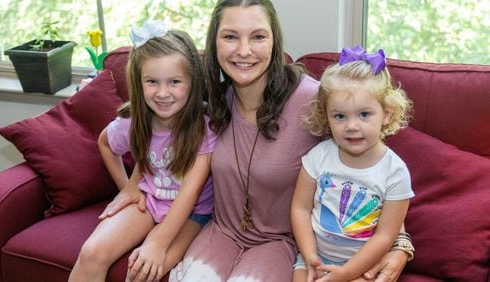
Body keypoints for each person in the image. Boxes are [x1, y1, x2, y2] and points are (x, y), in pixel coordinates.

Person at [168, 1, 414, 282]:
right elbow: (151, 134)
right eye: (230, 36)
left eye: (258, 36)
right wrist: (129, 188)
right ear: (214, 43)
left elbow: (371, 165)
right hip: (219, 234)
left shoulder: (315, 100)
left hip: (281, 245)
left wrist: (400, 244)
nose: (244, 50)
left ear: (275, 42)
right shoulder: (210, 96)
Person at [68, 20, 217, 282]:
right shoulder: (132, 122)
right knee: (91, 253)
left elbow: (190, 193)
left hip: (194, 212)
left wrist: (157, 242)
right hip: (148, 200)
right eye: (151, 81)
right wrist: (127, 186)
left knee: (140, 272)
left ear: (193, 81)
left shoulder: (204, 127)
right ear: (138, 82)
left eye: (174, 81)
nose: (162, 93)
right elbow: (105, 142)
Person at [291, 46, 414, 282]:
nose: (352, 126)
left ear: (386, 114)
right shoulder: (317, 157)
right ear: (326, 116)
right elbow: (300, 208)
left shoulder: (396, 173)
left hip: (363, 266)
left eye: (364, 114)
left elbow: (385, 236)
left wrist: (347, 273)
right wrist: (310, 256)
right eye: (340, 116)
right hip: (314, 258)